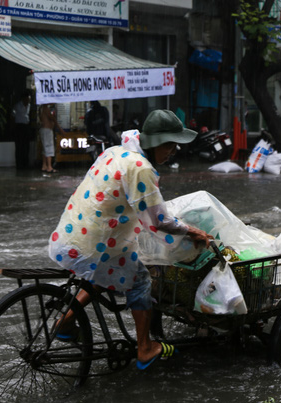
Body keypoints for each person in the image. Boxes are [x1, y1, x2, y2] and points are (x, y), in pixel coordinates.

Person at [48, 109, 213, 370]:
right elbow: (159, 220)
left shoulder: (115, 152)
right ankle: (145, 348)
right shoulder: (141, 168)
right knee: (140, 279)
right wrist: (193, 231)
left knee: (107, 273)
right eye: (169, 145)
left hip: (73, 233)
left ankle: (64, 323)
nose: (172, 152)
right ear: (155, 143)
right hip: (97, 241)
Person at [39, 103, 65, 173]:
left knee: (45, 148)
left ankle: (44, 165)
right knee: (49, 147)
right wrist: (60, 129)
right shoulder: (45, 108)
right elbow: (52, 118)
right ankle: (49, 167)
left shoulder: (41, 108)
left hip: (44, 130)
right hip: (47, 130)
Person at [12, 91, 31, 169]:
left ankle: (25, 163)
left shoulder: (29, 106)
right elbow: (12, 116)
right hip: (19, 126)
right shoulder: (17, 106)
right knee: (19, 146)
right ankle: (19, 164)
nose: (28, 100)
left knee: (26, 146)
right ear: (24, 98)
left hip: (26, 126)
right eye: (27, 99)